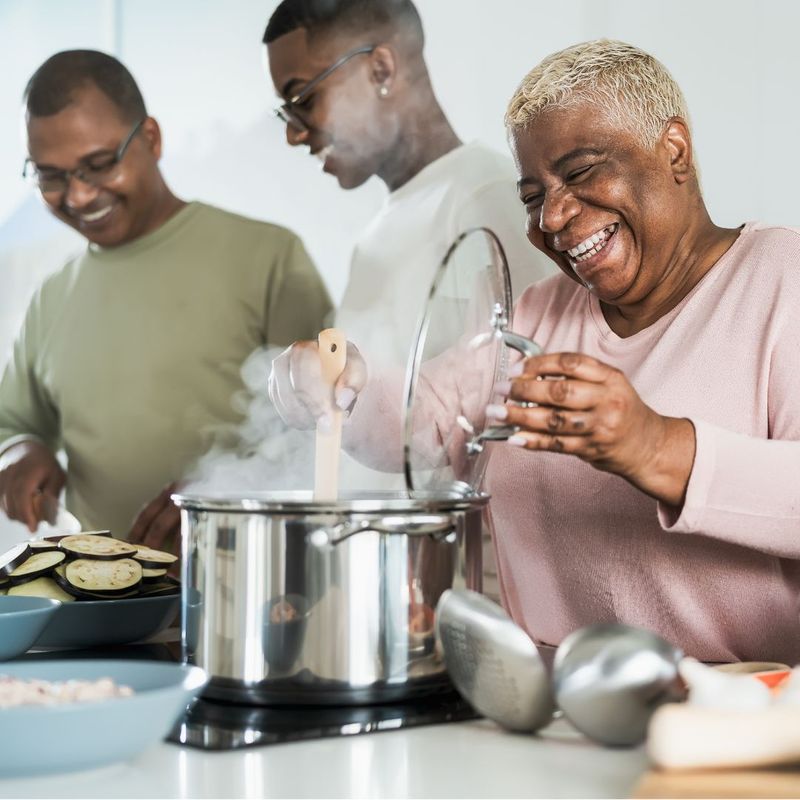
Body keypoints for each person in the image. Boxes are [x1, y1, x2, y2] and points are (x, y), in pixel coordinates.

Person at [269, 39, 800, 664]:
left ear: (674, 150)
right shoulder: (535, 311)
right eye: (532, 196)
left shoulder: (781, 280)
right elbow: (424, 421)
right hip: (550, 705)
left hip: (743, 713)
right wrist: (338, 387)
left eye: (579, 174)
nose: (552, 216)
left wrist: (653, 446)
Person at [264, 0, 555, 598]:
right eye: (285, 111)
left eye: (303, 98)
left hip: (464, 605)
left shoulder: (490, 202)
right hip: (383, 597)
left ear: (380, 69)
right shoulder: (380, 230)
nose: (294, 132)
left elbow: (526, 437)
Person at [0, 50, 332, 550]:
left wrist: (219, 502)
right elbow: (16, 423)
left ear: (150, 139)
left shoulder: (269, 258)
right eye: (52, 176)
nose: (79, 196)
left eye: (98, 164)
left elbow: (330, 431)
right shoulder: (51, 296)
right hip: (101, 606)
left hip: (252, 591)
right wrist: (20, 452)